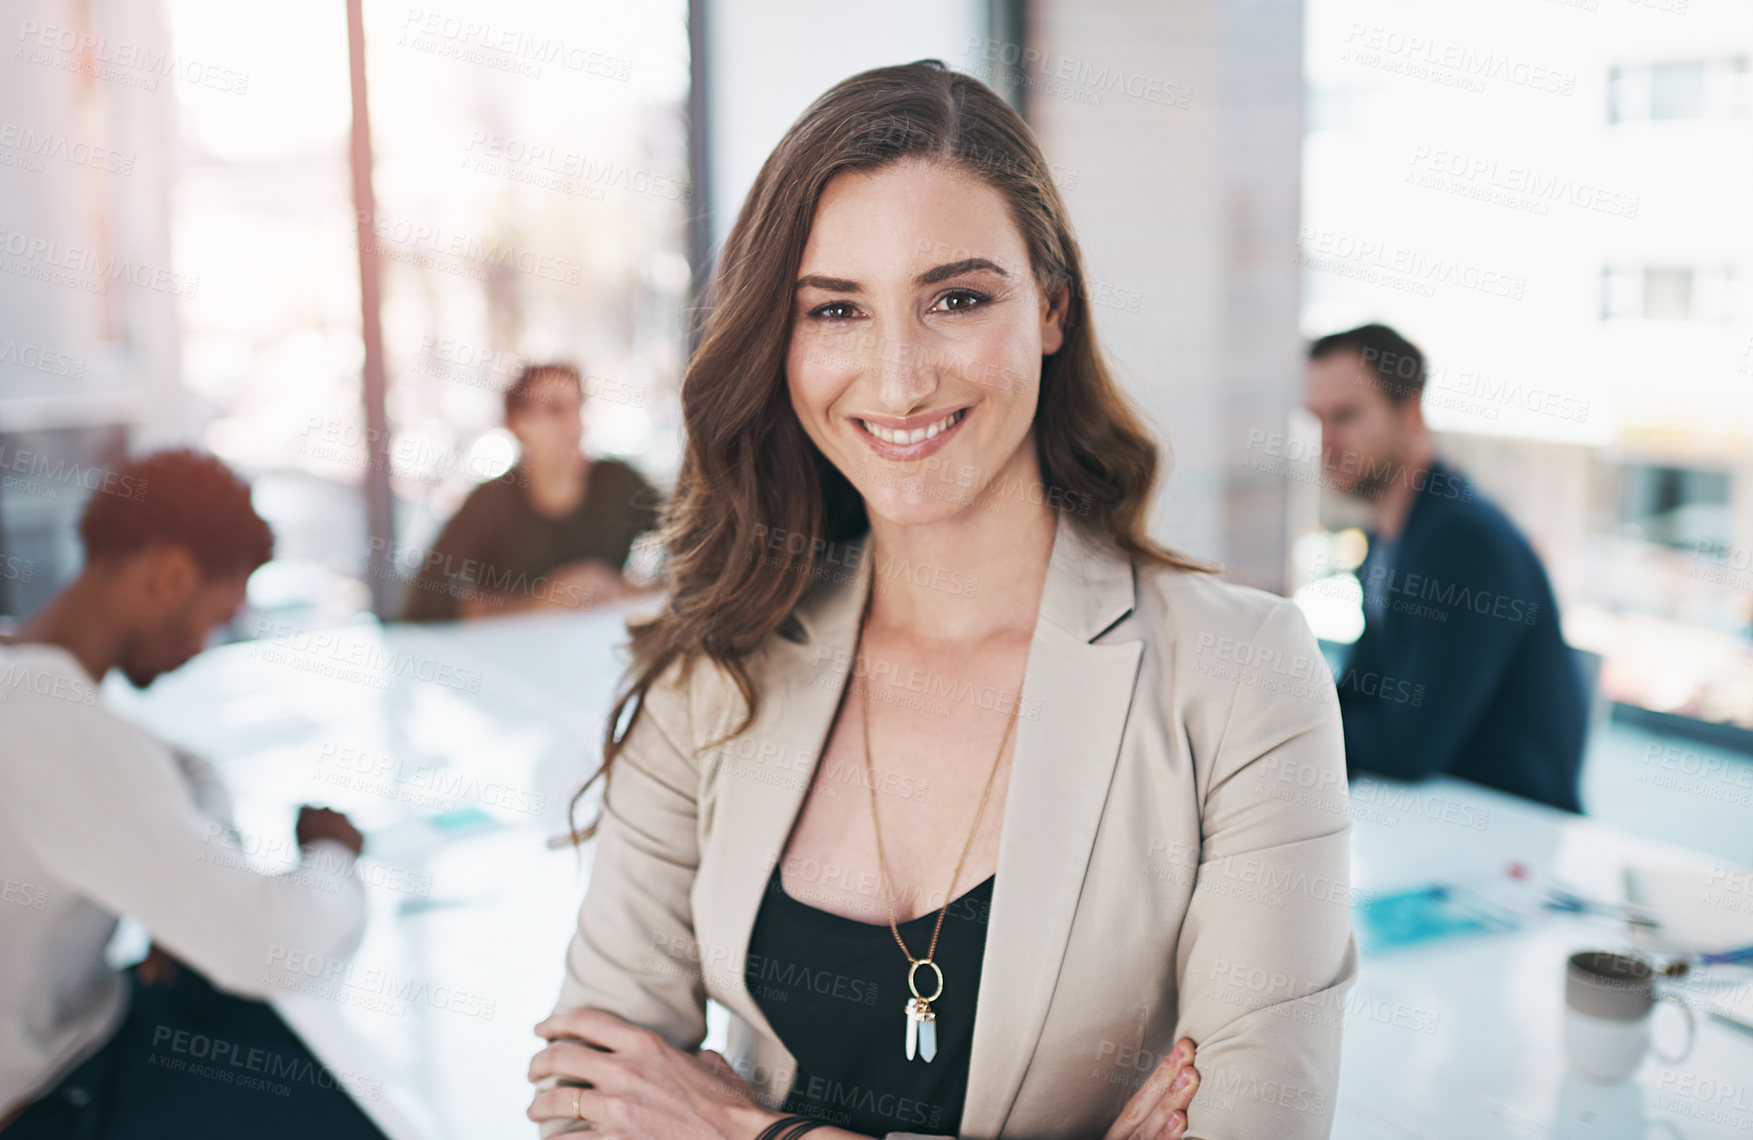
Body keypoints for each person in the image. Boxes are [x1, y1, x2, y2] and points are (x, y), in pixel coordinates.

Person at [527, 61, 1356, 1140]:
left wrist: (746, 1132)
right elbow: (582, 1105)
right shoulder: (720, 656)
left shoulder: (1241, 676)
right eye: (835, 310)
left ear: (1051, 309)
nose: (900, 377)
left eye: (956, 299)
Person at [0, 449, 383, 1137]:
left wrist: (175, 873)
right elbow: (273, 948)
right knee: (358, 1097)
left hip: (88, 1036)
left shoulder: (24, 677)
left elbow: (184, 765)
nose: (204, 647)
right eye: (214, 618)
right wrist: (336, 856)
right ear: (172, 573)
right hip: (52, 1103)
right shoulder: (53, 726)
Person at [1303, 324, 1588, 812]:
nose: (1327, 442)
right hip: (1439, 822)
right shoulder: (1389, 539)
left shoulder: (1462, 542)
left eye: (1346, 416)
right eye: (1318, 419)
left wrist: (1287, 725)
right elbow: (1362, 694)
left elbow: (1407, 746)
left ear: (1410, 413)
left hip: (1507, 839)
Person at [401, 362, 665, 621]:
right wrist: (537, 603)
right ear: (518, 424)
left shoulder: (618, 482)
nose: (575, 427)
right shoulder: (491, 502)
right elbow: (426, 602)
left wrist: (629, 591)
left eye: (578, 408)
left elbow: (692, 540)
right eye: (555, 410)